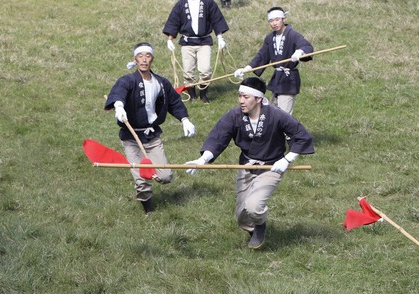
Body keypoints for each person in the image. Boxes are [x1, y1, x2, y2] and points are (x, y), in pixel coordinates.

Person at [184, 77, 314, 248]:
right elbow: (219, 137)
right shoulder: (235, 115)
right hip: (246, 167)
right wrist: (202, 160)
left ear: (259, 99)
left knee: (253, 206)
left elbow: (301, 136)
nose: (241, 101)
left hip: (271, 167)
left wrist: (287, 159)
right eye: (239, 96)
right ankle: (253, 229)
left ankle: (260, 226)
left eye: (246, 97)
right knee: (241, 216)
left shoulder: (276, 115)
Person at [104, 42, 196, 215]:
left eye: (148, 56)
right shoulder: (128, 80)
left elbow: (175, 101)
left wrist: (184, 119)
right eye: (140, 56)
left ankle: (153, 181)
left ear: (152, 59)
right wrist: (118, 106)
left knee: (165, 176)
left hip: (152, 137)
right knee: (141, 178)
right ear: (135, 59)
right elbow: (119, 91)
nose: (144, 60)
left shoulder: (161, 82)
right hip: (132, 137)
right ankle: (148, 210)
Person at [234, 7, 313, 115]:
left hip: (289, 80)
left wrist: (300, 52)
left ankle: (286, 131)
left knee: (283, 116)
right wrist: (246, 69)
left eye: (277, 19)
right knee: (272, 113)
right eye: (271, 21)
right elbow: (262, 56)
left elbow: (306, 46)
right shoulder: (270, 38)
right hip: (277, 79)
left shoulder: (293, 34)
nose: (274, 23)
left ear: (283, 19)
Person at [163, 0, 229, 103]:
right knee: (188, 71)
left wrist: (220, 38)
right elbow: (173, 21)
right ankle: (192, 96)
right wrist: (170, 40)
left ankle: (203, 95)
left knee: (205, 70)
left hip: (204, 42)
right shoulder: (181, 4)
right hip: (187, 43)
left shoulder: (208, 3)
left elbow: (216, 19)